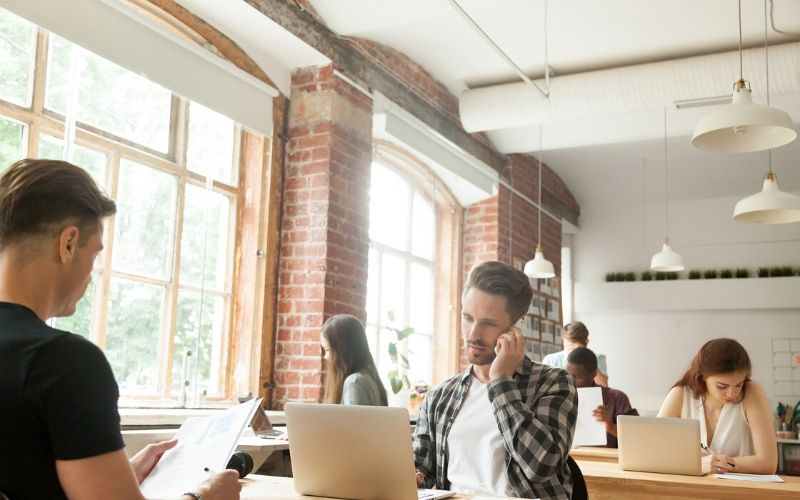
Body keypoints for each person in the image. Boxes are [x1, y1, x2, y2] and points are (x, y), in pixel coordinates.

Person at [0, 159, 241, 500]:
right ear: (69, 243)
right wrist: (203, 497)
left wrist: (118, 475)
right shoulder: (62, 362)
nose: (91, 274)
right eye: (95, 255)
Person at [414, 261, 577, 500]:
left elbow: (541, 465)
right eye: (468, 318)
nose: (473, 334)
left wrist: (500, 380)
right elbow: (421, 470)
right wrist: (412, 475)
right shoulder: (440, 396)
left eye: (488, 323)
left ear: (517, 327)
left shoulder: (553, 382)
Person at [658, 338, 777, 475]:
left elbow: (768, 463)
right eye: (722, 386)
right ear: (703, 376)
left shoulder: (752, 391)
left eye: (739, 384)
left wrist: (720, 465)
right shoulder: (680, 394)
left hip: (740, 491)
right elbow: (654, 453)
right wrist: (699, 465)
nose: (732, 393)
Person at [565, 347, 638, 448]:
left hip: (605, 459)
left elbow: (637, 437)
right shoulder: (562, 397)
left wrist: (610, 426)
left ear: (594, 374)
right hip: (572, 457)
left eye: (578, 377)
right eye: (568, 375)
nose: (571, 381)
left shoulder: (617, 398)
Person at [321, 313, 388, 406]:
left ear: (343, 350)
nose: (325, 356)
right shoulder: (369, 377)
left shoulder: (354, 382)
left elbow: (353, 421)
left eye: (327, 350)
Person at [542, 321, 608, 386]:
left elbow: (603, 385)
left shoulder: (598, 357)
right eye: (567, 344)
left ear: (586, 343)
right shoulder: (550, 360)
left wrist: (586, 356)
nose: (570, 348)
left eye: (573, 345)